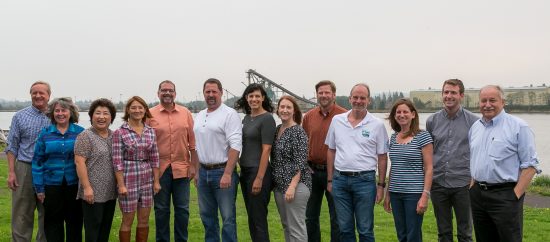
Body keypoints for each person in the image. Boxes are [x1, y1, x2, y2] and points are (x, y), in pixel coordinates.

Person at [468, 85, 541, 242]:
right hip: (478, 195)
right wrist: (473, 185)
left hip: (505, 195)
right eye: (483, 100)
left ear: (503, 102)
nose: (487, 104)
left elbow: (531, 165)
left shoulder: (519, 126)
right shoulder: (475, 127)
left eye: (492, 100)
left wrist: (515, 195)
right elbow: (474, 158)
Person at [325, 83, 388, 242]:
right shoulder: (337, 121)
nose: (358, 101)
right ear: (350, 99)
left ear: (369, 100)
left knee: (365, 229)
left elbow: (382, 156)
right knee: (344, 229)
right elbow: (331, 150)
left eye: (362, 98)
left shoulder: (377, 125)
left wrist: (380, 185)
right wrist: (330, 180)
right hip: (340, 181)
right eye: (356, 97)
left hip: (365, 182)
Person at [426, 79, 477, 242]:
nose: (449, 96)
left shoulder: (474, 122)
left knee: (465, 233)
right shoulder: (432, 121)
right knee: (443, 232)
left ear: (461, 95)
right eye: (446, 92)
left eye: (453, 92)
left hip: (464, 185)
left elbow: (478, 152)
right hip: (438, 183)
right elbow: (428, 152)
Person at [149, 80, 198, 242]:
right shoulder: (150, 114)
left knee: (182, 210)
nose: (167, 93)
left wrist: (193, 166)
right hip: (159, 170)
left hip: (182, 169)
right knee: (161, 210)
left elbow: (193, 142)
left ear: (175, 93)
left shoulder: (185, 113)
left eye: (170, 90)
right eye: (164, 90)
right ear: (158, 93)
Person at [194, 78, 242, 242]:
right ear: (204, 94)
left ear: (221, 92)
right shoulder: (199, 116)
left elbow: (236, 146)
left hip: (222, 171)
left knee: (228, 218)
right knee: (207, 217)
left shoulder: (230, 114)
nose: (211, 95)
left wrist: (228, 173)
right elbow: (195, 146)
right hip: (203, 173)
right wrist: (196, 171)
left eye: (214, 91)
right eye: (208, 92)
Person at [32, 97, 85, 242]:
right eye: (57, 110)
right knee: (52, 223)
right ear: (52, 113)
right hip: (51, 186)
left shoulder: (81, 133)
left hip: (74, 185)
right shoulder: (45, 133)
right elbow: (37, 162)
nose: (60, 113)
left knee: (74, 222)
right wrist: (39, 188)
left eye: (64, 110)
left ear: (71, 112)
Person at [5, 81, 50, 242]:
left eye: (41, 93)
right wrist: (11, 172)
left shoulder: (57, 115)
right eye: (34, 93)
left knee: (48, 213)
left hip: (49, 170)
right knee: (21, 213)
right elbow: (12, 145)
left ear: (48, 95)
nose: (38, 96)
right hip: (25, 167)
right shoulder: (19, 116)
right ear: (30, 95)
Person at [383, 98, 433, 242]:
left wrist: (425, 196)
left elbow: (429, 168)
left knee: (413, 235)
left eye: (405, 111)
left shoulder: (422, 136)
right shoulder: (393, 138)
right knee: (402, 234)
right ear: (394, 115)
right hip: (396, 194)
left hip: (414, 194)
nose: (401, 115)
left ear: (413, 115)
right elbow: (394, 167)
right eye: (398, 112)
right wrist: (388, 195)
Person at [302, 80, 346, 242]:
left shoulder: (344, 116)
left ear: (334, 95)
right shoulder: (309, 116)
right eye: (320, 93)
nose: (324, 95)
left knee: (337, 217)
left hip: (335, 173)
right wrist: (304, 164)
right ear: (316, 95)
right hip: (312, 172)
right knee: (310, 216)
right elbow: (303, 142)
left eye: (327, 92)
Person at [112, 96, 161, 242]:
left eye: (140, 107)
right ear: (128, 110)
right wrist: (121, 185)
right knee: (127, 220)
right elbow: (117, 161)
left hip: (147, 178)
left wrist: (156, 181)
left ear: (145, 110)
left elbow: (155, 158)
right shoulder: (120, 132)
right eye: (133, 107)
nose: (137, 110)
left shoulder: (151, 131)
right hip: (128, 178)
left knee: (144, 220)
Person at [234, 83, 277, 242]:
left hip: (258, 172)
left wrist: (259, 178)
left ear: (263, 98)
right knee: (252, 218)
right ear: (246, 98)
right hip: (245, 172)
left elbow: (266, 150)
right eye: (251, 96)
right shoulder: (246, 118)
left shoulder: (267, 119)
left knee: (258, 219)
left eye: (257, 96)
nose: (254, 99)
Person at [74, 98, 118, 242]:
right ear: (91, 116)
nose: (101, 117)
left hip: (110, 192)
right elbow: (79, 162)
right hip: (92, 192)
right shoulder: (85, 136)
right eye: (97, 113)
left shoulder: (114, 136)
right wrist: (87, 188)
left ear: (111, 117)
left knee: (105, 230)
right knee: (93, 231)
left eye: (106, 113)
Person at [272, 96, 312, 242]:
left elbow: (300, 162)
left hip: (296, 186)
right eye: (282, 107)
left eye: (288, 107)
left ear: (294, 110)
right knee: (287, 226)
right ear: (278, 109)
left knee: (296, 228)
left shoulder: (298, 132)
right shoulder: (278, 130)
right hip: (279, 186)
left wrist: (292, 186)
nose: (285, 110)